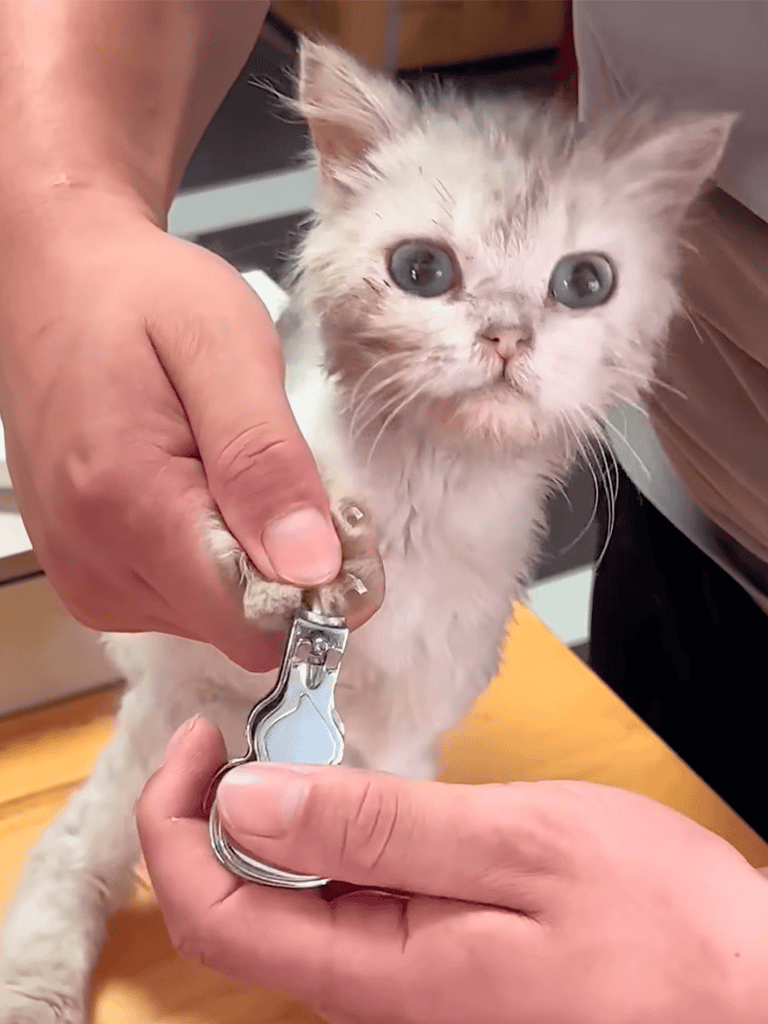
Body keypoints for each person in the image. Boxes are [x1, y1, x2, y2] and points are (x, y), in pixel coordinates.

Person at [1, 2, 766, 1021]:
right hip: (712, 544)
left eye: (578, 284)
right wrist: (64, 206)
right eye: (426, 269)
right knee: (176, 738)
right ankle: (69, 892)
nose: (507, 336)